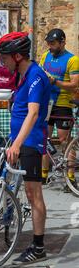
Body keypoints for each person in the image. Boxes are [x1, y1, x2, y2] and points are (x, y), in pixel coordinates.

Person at [0, 32, 51, 265]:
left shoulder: (36, 76)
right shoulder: (20, 75)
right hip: (14, 139)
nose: (1, 62)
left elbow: (34, 113)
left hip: (29, 142)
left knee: (33, 193)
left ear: (18, 56)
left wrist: (18, 144)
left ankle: (38, 247)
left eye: (5, 57)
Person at [40, 28, 79, 191]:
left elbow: (74, 85)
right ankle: (43, 174)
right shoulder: (45, 55)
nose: (50, 46)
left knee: (65, 141)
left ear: (62, 42)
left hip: (63, 104)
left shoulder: (72, 59)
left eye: (53, 43)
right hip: (47, 103)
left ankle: (70, 176)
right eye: (49, 43)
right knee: (44, 139)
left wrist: (55, 82)